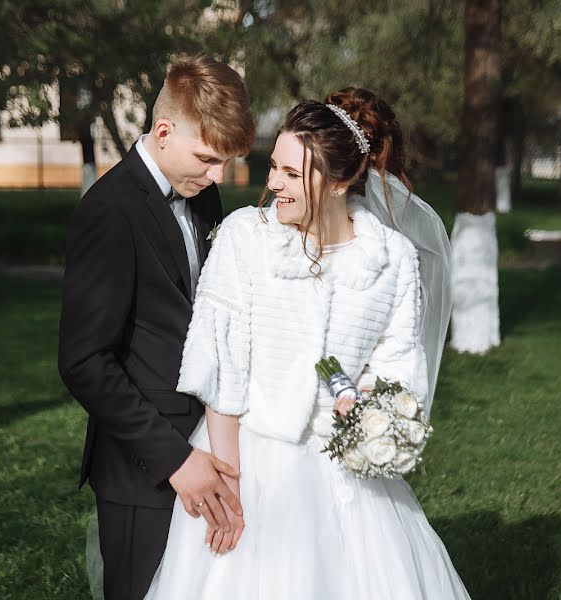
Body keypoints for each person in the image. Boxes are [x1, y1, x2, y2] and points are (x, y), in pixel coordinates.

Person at [144, 89, 471, 599]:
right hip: (250, 460)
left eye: (292, 175)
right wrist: (231, 490)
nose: (273, 184)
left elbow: (399, 369)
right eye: (274, 166)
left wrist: (368, 416)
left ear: (340, 182)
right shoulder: (244, 238)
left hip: (347, 478)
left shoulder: (393, 261)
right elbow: (222, 372)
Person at [57, 55, 256, 600]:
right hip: (142, 469)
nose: (218, 176)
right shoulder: (108, 211)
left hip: (211, 443)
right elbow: (83, 362)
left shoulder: (202, 192)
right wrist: (176, 460)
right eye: (208, 158)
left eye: (225, 163)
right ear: (163, 131)